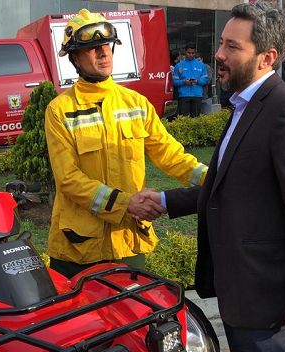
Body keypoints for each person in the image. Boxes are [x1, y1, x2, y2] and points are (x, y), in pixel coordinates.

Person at [143, 3, 285, 352]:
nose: (218, 54)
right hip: (240, 291)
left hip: (266, 296)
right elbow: (232, 187)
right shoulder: (244, 107)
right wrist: (165, 201)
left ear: (267, 57)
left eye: (232, 46)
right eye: (221, 43)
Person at [44, 9, 209, 279]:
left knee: (132, 317)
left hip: (127, 240)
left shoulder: (136, 103)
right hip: (77, 248)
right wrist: (125, 204)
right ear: (74, 57)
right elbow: (68, 179)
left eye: (106, 47)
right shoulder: (60, 110)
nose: (103, 53)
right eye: (92, 48)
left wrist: (214, 178)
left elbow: (170, 155)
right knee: (78, 321)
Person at [173, 42, 210, 117]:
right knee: (184, 119)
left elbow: (206, 80)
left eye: (193, 53)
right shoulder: (179, 66)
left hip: (197, 95)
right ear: (185, 52)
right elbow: (174, 81)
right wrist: (183, 82)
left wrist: (197, 81)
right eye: (189, 53)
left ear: (195, 52)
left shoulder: (201, 65)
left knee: (196, 119)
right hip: (183, 95)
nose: (191, 55)